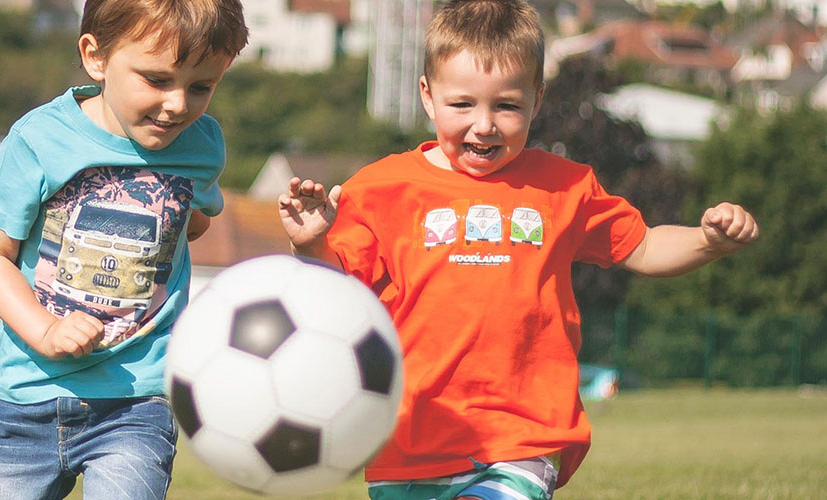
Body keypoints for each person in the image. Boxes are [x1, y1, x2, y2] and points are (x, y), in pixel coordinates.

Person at [277, 0, 758, 498]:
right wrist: (313, 241)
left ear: (537, 100)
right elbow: (337, 292)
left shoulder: (564, 187)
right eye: (462, 105)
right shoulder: (381, 189)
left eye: (506, 106)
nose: (484, 125)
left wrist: (706, 241)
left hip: (520, 437)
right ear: (427, 96)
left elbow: (644, 248)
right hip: (407, 441)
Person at [0, 0, 247, 498]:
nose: (179, 104)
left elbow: (191, 223)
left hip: (137, 402)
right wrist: (46, 329)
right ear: (96, 57)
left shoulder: (202, 145)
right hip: (27, 396)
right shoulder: (39, 140)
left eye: (201, 86)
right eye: (157, 80)